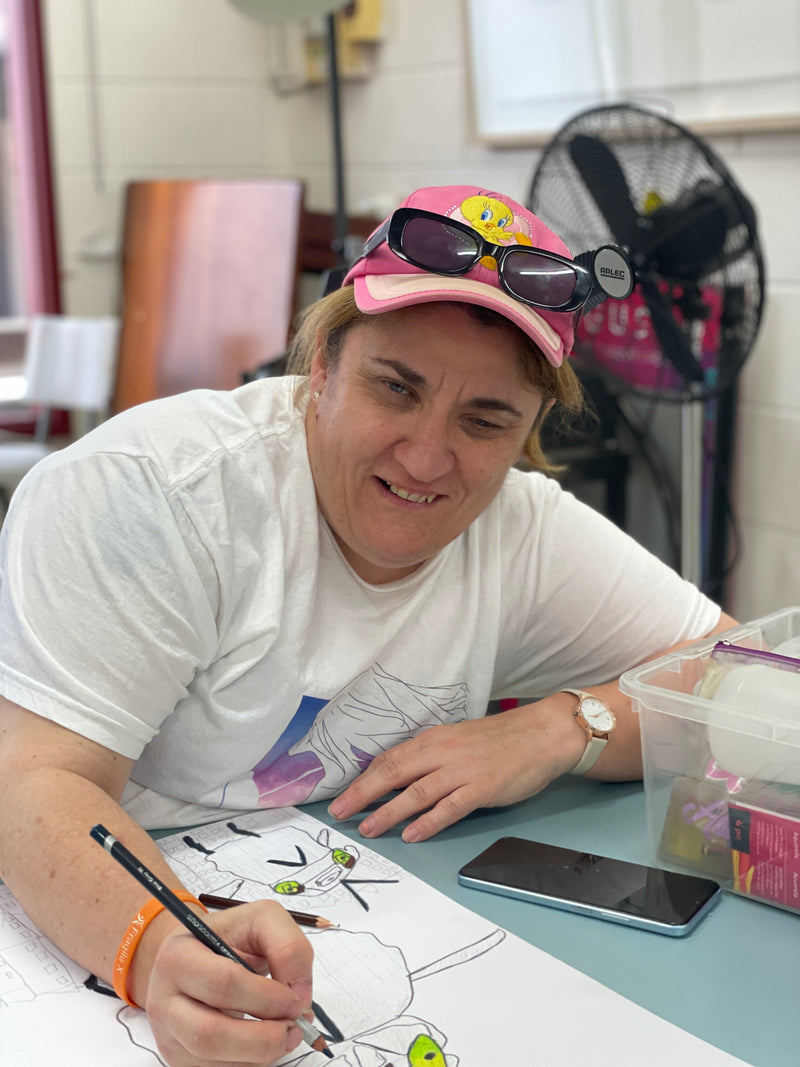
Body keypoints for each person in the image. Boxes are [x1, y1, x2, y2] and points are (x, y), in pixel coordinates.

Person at [0, 184, 735, 1066]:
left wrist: (562, 725)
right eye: (396, 388)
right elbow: (31, 786)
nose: (428, 457)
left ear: (530, 431)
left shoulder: (518, 528)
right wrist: (155, 946)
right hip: (88, 930)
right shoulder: (156, 495)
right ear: (321, 366)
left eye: (485, 419)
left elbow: (745, 669)